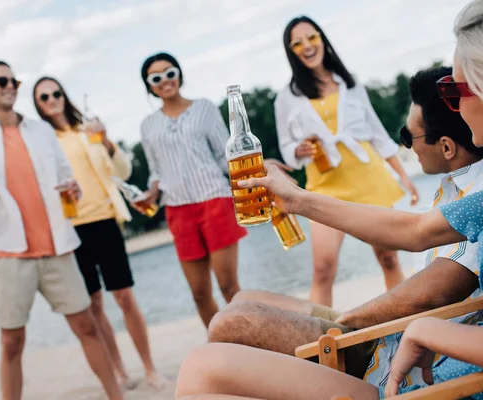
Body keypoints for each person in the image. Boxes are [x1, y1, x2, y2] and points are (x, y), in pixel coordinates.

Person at [175, 2, 483, 397]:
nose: (455, 101)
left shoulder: (473, 197)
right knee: (246, 301)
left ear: (445, 146)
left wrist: (349, 324)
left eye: (457, 91)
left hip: (411, 371)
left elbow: (420, 249)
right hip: (410, 341)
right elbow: (417, 233)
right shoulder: (290, 97)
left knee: (223, 333)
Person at [0, 61, 121, 400]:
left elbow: (68, 178)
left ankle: (117, 396)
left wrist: (73, 188)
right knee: (12, 342)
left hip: (58, 247)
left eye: (15, 80)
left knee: (87, 326)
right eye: (2, 80)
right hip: (8, 255)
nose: (11, 85)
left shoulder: (41, 131)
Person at [32, 76, 166, 389]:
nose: (52, 99)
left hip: (105, 220)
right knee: (93, 305)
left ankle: (150, 369)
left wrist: (105, 142)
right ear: (38, 105)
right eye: (44, 97)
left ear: (64, 95)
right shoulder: (43, 142)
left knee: (124, 296)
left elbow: (122, 172)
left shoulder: (87, 131)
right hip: (71, 229)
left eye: (56, 93)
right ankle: (119, 372)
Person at [275, 16, 419, 305]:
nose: (307, 46)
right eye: (298, 43)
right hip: (326, 187)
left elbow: (377, 134)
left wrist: (403, 176)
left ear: (323, 40)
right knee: (323, 269)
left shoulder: (351, 84)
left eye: (312, 38)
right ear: (291, 51)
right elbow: (286, 146)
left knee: (389, 258)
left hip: (369, 179)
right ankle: (317, 338)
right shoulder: (286, 98)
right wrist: (298, 151)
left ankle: (404, 321)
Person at [138, 52, 248, 328]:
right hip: (178, 209)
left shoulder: (205, 108)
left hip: (215, 200)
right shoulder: (148, 125)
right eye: (156, 77)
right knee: (199, 293)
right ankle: (221, 344)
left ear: (179, 74)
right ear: (149, 85)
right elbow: (156, 172)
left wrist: (254, 171)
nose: (165, 80)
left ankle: (250, 340)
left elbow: (226, 155)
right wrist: (151, 193)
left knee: (228, 286)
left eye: (170, 72)